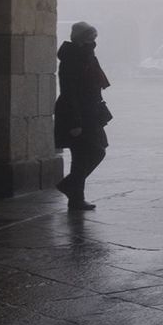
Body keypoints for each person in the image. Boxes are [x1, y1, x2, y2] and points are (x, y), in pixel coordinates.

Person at [53, 21, 111, 211]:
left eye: (94, 36)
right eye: (90, 36)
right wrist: (75, 122)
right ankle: (71, 189)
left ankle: (75, 196)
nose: (94, 39)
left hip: (90, 113)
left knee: (85, 155)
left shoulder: (87, 56)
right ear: (81, 38)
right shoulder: (71, 59)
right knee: (92, 152)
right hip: (77, 114)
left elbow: (95, 86)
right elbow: (69, 92)